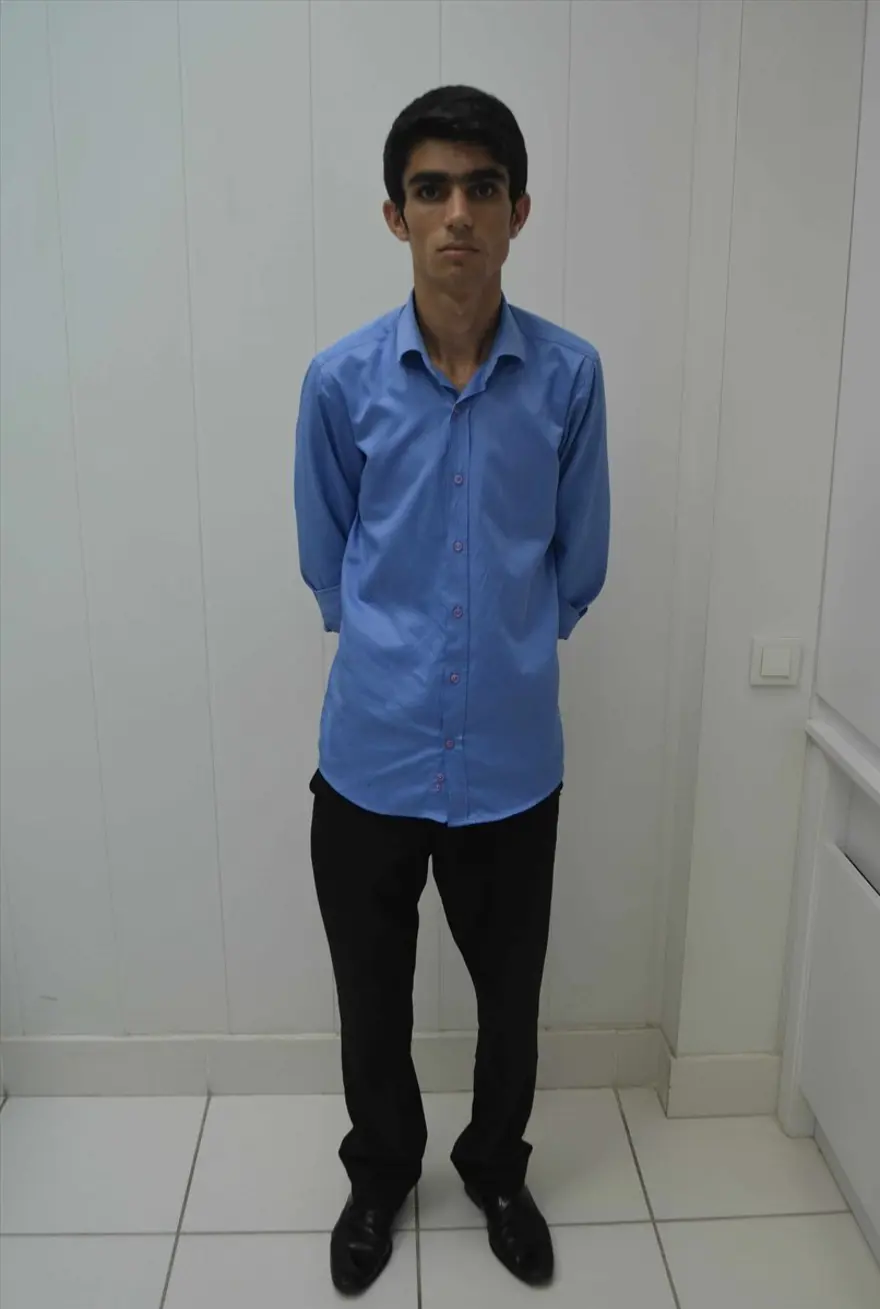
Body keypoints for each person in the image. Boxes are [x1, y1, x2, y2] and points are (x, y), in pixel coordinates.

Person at [294, 84, 609, 1296]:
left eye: (483, 187)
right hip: (368, 756)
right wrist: (394, 653)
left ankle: (494, 1171)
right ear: (396, 215)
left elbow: (578, 562)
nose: (457, 213)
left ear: (519, 211)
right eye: (431, 189)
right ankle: (380, 1174)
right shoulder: (339, 382)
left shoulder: (569, 379)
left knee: (508, 1000)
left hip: (511, 764)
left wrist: (511, 655)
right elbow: (328, 558)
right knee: (370, 999)